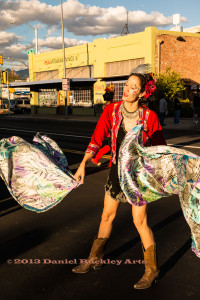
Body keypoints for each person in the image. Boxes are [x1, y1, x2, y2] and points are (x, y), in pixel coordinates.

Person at [72, 65, 167, 289]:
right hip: (116, 171)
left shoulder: (149, 116)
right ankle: (94, 258)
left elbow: (160, 149)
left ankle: (152, 270)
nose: (126, 89)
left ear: (142, 93)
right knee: (107, 216)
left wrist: (159, 176)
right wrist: (83, 163)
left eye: (133, 87)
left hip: (138, 176)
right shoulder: (112, 111)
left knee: (139, 221)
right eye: (126, 84)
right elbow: (97, 138)